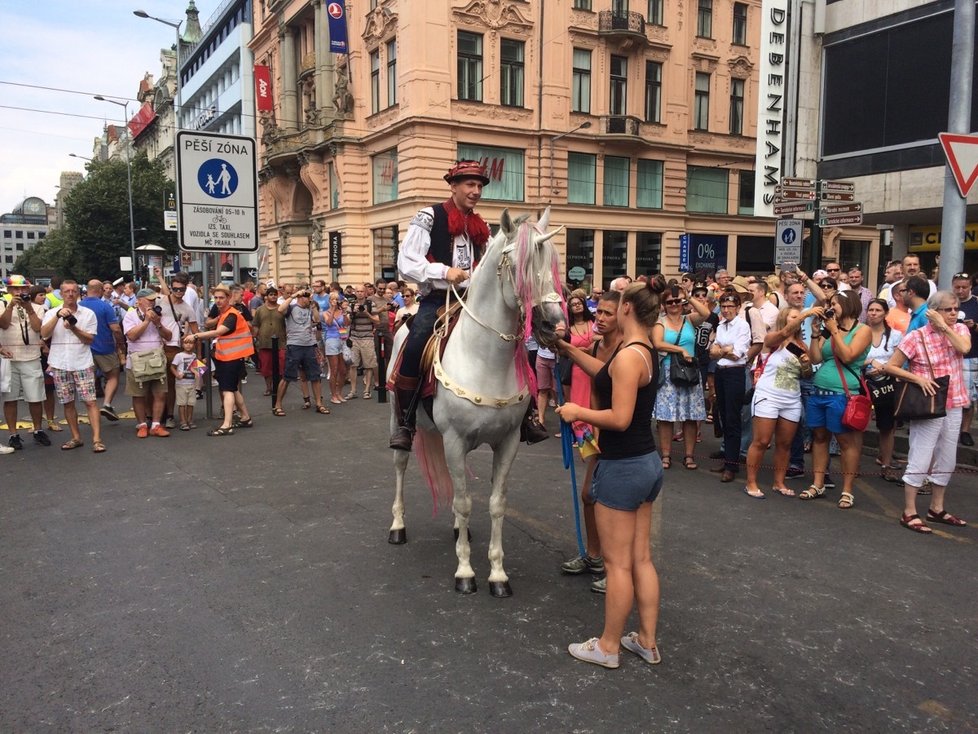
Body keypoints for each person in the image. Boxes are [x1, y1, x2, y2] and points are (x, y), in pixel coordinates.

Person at [556, 280, 665, 669]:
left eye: (615, 306)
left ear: (627, 311)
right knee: (641, 559)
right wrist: (567, 348)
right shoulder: (642, 350)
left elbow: (618, 418)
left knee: (618, 564)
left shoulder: (627, 356)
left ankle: (608, 646)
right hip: (646, 463)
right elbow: (606, 373)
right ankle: (647, 641)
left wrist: (576, 411)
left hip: (623, 467)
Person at [388, 160, 492, 450]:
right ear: (453, 186)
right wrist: (443, 272)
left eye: (480, 186)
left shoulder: (481, 226)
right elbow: (406, 261)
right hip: (438, 299)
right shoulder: (429, 216)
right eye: (470, 185)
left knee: (510, 339)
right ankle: (406, 422)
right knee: (416, 343)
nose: (476, 191)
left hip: (473, 301)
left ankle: (526, 413)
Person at [883, 290, 971, 533]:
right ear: (934, 312)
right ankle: (909, 511)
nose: (953, 313)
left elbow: (963, 347)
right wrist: (918, 379)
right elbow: (892, 366)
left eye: (955, 309)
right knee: (921, 456)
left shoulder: (959, 330)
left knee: (947, 458)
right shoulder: (916, 337)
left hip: (953, 403)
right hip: (928, 405)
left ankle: (936, 508)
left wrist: (945, 327)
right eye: (948, 309)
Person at [556, 290, 623, 594]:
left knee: (613, 503)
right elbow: (595, 391)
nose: (601, 318)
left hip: (623, 435)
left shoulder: (628, 350)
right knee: (588, 495)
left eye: (608, 313)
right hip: (596, 429)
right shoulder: (597, 347)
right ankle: (594, 556)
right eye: (600, 312)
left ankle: (615, 568)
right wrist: (588, 429)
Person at [801, 290, 872, 508]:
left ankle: (848, 489)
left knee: (845, 442)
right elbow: (815, 358)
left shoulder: (863, 330)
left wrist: (835, 331)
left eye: (835, 303)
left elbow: (849, 355)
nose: (831, 307)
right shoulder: (828, 329)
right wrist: (816, 334)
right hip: (819, 391)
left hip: (843, 394)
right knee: (819, 438)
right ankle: (818, 483)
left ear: (848, 304)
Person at [744, 307, 814, 498]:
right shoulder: (774, 339)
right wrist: (805, 315)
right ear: (785, 319)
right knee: (762, 440)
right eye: (794, 317)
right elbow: (783, 333)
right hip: (768, 395)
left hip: (791, 398)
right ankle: (751, 482)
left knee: (784, 444)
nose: (798, 320)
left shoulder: (801, 345)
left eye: (798, 317)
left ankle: (779, 482)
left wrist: (807, 366)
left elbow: (806, 374)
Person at [39, 280, 104, 452]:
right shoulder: (52, 312)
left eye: (73, 291)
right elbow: (44, 334)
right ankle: (76, 437)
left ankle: (97, 439)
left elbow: (90, 339)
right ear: (61, 293)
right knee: (67, 403)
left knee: (90, 402)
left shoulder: (88, 313)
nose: (70, 294)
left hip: (82, 362)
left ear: (79, 293)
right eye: (66, 291)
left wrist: (74, 328)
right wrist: (58, 316)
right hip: (60, 363)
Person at [651, 283, 711, 470]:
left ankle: (689, 455)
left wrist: (688, 296)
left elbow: (706, 313)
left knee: (691, 416)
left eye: (678, 301)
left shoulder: (689, 320)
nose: (675, 304)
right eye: (670, 302)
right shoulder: (660, 322)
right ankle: (666, 455)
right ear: (664, 305)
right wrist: (680, 350)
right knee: (666, 417)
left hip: (690, 372)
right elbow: (658, 343)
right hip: (669, 372)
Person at [192, 284, 254, 436]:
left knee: (227, 390)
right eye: (216, 298)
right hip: (228, 357)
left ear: (228, 298)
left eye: (221, 298)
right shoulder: (226, 314)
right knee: (232, 388)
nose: (218, 301)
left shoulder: (231, 315)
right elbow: (213, 325)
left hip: (231, 358)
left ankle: (227, 425)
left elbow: (220, 332)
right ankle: (245, 417)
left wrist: (196, 336)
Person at [0, 275, 50, 449]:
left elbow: (38, 328)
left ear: (28, 290)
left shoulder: (37, 307)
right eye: (15, 289)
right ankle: (13, 434)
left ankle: (38, 429)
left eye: (22, 289)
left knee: (35, 397)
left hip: (31, 357)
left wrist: (29, 309)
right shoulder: (3, 304)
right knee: (10, 398)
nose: (19, 292)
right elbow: (3, 325)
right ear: (9, 291)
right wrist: (11, 306)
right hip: (9, 358)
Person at [710, 293, 752, 482]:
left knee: (733, 419)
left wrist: (723, 349)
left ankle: (732, 466)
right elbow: (712, 352)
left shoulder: (742, 326)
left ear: (737, 307)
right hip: (721, 371)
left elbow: (737, 353)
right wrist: (724, 349)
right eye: (723, 306)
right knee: (724, 417)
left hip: (735, 373)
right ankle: (728, 458)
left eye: (730, 306)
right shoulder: (721, 325)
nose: (726, 310)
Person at [862, 299, 903, 482]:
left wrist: (884, 368)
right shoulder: (861, 333)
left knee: (887, 426)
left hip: (887, 384)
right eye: (870, 310)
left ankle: (886, 464)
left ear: (885, 313)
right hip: (864, 383)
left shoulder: (894, 335)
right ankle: (853, 465)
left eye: (878, 310)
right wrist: (870, 362)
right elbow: (852, 356)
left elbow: (899, 360)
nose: (873, 313)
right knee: (857, 425)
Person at [122, 288, 172, 438]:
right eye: (149, 300)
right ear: (139, 301)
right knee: (138, 394)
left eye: (154, 300)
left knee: (160, 393)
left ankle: (156, 425)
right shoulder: (130, 315)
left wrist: (158, 323)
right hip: (137, 359)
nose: (153, 302)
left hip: (156, 357)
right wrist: (146, 321)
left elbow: (169, 336)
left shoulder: (159, 315)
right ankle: (142, 424)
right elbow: (132, 336)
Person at [273, 289, 329, 415]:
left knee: (315, 376)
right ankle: (278, 405)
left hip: (309, 345)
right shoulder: (292, 307)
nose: (307, 299)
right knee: (287, 376)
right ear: (300, 297)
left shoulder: (309, 308)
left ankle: (319, 404)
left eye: (308, 297)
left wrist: (313, 306)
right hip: (294, 345)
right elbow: (280, 309)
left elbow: (317, 320)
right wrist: (293, 295)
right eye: (305, 296)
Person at [156, 271, 199, 429]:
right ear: (171, 288)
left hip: (175, 350)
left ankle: (170, 415)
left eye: (182, 289)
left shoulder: (188, 309)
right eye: (176, 289)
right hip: (157, 347)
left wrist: (198, 358)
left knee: (173, 384)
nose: (178, 292)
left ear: (186, 289)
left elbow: (197, 333)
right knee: (157, 383)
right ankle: (155, 416)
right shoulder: (161, 302)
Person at [81, 279, 124, 423]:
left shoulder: (79, 306)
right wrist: (120, 344)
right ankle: (106, 404)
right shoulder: (105, 306)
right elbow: (116, 328)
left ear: (87, 290)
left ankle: (90, 408)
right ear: (100, 290)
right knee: (113, 376)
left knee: (89, 380)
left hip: (84, 349)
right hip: (105, 346)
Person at [562, 291, 598, 444]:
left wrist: (593, 344)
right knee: (578, 400)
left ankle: (595, 434)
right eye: (573, 305)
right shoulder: (567, 328)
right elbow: (562, 349)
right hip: (577, 368)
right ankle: (581, 438)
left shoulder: (594, 323)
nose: (576, 306)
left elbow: (604, 337)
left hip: (594, 366)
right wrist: (576, 351)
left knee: (593, 401)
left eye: (579, 303)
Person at [951, 272, 978, 446]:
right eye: (957, 287)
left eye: (964, 287)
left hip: (971, 355)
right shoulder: (948, 302)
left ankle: (965, 430)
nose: (960, 291)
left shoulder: (976, 303)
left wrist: (974, 326)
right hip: (949, 355)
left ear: (970, 286)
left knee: (969, 397)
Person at [345, 285, 379, 401]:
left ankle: (367, 390)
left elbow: (377, 321)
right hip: (354, 338)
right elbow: (346, 322)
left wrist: (366, 313)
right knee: (353, 365)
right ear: (355, 292)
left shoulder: (371, 304)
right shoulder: (352, 305)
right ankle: (353, 391)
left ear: (365, 293)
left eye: (361, 291)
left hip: (367, 338)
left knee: (368, 365)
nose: (359, 293)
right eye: (357, 291)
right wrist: (352, 314)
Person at [252, 287, 287, 396]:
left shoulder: (282, 309)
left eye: (275, 294)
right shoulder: (260, 310)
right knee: (266, 368)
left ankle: (279, 387)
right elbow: (256, 325)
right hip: (264, 342)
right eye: (271, 294)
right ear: (266, 296)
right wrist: (254, 338)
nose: (273, 296)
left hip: (281, 342)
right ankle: (269, 387)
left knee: (281, 366)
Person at [322, 291, 349, 404]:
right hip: (331, 340)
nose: (335, 301)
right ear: (329, 301)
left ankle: (339, 393)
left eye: (336, 299)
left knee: (343, 370)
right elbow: (328, 323)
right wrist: (333, 309)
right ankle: (333, 395)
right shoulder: (325, 312)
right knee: (334, 369)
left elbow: (346, 323)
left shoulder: (342, 311)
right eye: (332, 299)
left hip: (342, 340)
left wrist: (344, 312)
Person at [171, 334, 201, 430]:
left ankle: (190, 420)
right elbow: (172, 367)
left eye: (191, 343)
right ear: (182, 345)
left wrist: (197, 372)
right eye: (186, 343)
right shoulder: (179, 356)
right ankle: (183, 421)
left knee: (191, 403)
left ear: (194, 345)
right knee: (182, 403)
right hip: (181, 384)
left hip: (191, 383)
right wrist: (177, 374)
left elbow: (196, 368)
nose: (188, 345)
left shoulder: (194, 356)